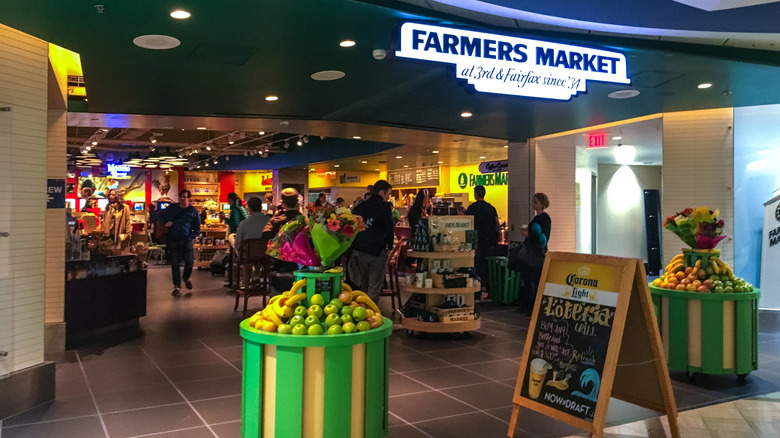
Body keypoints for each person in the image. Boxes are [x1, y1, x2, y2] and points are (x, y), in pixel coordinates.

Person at [348, 180, 394, 302]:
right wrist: (389, 246)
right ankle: (372, 313)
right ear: (381, 192)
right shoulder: (384, 207)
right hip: (377, 250)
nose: (388, 198)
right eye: (388, 194)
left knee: (363, 284)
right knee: (374, 285)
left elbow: (352, 227)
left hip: (360, 250)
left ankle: (362, 311)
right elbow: (389, 228)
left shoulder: (360, 207)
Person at [159, 189, 201, 296]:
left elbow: (197, 226)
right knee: (175, 263)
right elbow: (160, 215)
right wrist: (165, 223)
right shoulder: (172, 208)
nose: (182, 199)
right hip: (173, 239)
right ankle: (177, 286)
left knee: (190, 262)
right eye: (181, 196)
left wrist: (191, 236)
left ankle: (186, 277)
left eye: (185, 197)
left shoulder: (193, 211)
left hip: (186, 239)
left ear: (188, 198)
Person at [262, 188, 302, 293]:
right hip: (300, 263)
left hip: (281, 264)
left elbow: (265, 234)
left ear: (283, 203)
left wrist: (273, 218)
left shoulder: (279, 220)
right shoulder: (303, 220)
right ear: (297, 202)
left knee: (278, 298)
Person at [517, 192, 551, 314]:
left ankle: (531, 306)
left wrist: (528, 234)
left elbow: (541, 238)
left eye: (535, 202)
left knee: (531, 279)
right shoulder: (544, 219)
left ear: (541, 204)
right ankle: (531, 305)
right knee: (532, 279)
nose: (532, 204)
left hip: (534, 253)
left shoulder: (540, 219)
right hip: (537, 253)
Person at [466, 185, 499, 300]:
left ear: (476, 194)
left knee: (476, 268)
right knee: (488, 268)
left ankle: (477, 293)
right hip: (490, 242)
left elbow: (468, 225)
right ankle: (490, 291)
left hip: (477, 243)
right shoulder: (491, 208)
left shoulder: (471, 208)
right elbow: (497, 225)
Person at [224, 192, 248, 287]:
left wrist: (225, 219)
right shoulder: (241, 208)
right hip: (243, 235)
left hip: (235, 235)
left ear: (231, 199)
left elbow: (236, 224)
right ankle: (234, 281)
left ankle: (233, 281)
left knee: (232, 258)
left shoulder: (234, 209)